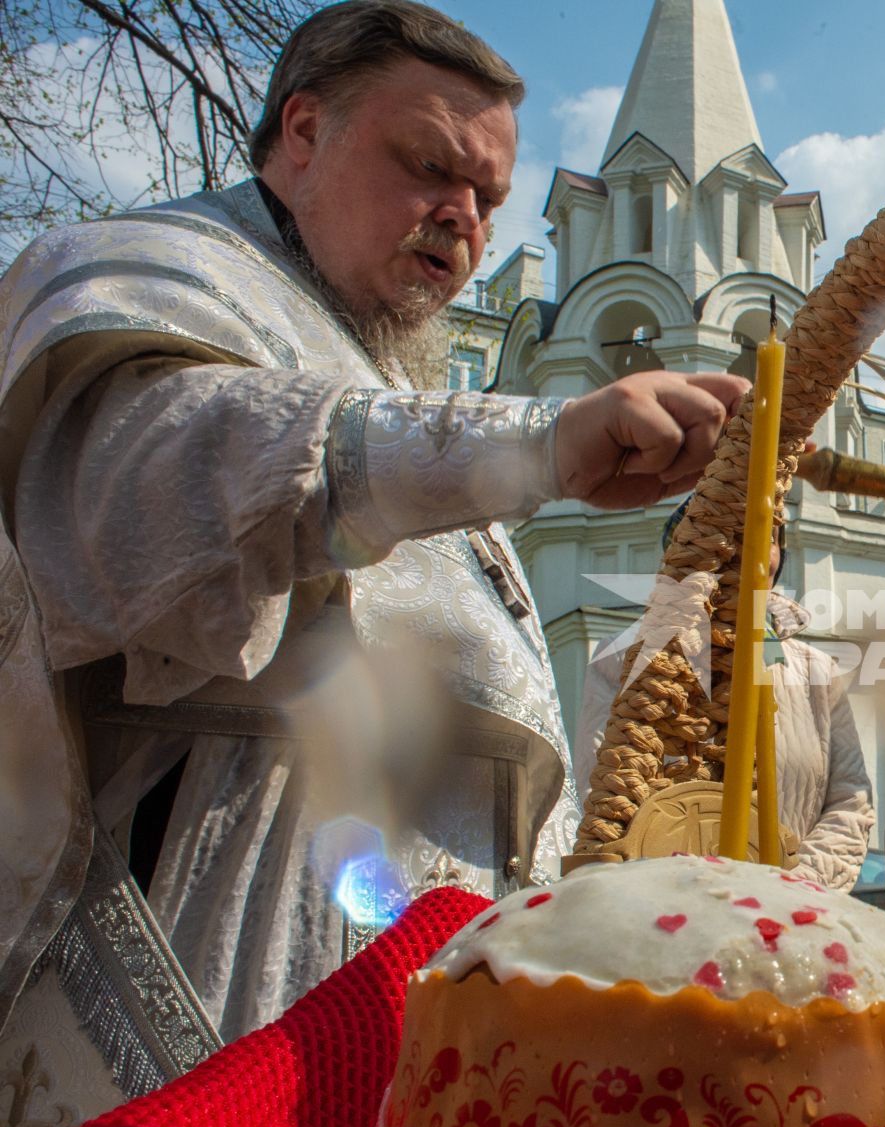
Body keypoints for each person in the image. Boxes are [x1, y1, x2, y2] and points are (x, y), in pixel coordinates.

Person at [0, 0, 747, 1065]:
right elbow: (146, 486)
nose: (463, 219)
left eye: (488, 199)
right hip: (214, 985)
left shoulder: (377, 363)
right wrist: (536, 447)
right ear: (303, 132)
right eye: (429, 167)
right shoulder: (158, 270)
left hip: (412, 1008)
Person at [574, 503, 875, 888]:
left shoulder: (817, 672)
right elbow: (601, 793)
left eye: (768, 535)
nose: (750, 547)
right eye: (730, 529)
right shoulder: (623, 660)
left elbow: (850, 801)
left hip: (793, 913)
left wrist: (799, 885)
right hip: (666, 907)